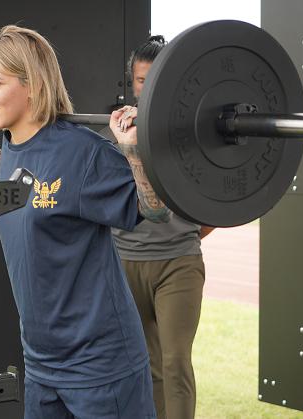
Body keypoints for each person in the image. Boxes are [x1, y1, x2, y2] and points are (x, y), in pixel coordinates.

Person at [0, 25, 168, 419]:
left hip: (102, 367)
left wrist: (132, 152)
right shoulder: (9, 148)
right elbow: (21, 191)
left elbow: (154, 209)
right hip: (42, 366)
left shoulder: (83, 153)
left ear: (32, 85)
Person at [111, 35, 214, 419]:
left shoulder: (195, 131)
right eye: (141, 80)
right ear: (132, 83)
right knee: (146, 365)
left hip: (178, 264)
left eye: (155, 78)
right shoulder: (117, 128)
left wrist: (184, 234)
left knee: (175, 363)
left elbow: (214, 200)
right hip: (125, 264)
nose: (147, 86)